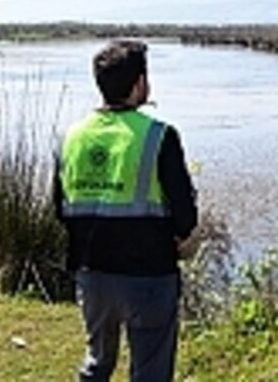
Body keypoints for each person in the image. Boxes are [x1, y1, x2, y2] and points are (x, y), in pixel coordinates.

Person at [54, 39, 198, 381]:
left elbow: (60, 208)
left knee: (97, 362)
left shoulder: (71, 137)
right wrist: (180, 237)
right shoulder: (159, 136)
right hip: (149, 275)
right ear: (139, 84)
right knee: (150, 371)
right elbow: (186, 217)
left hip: (92, 275)